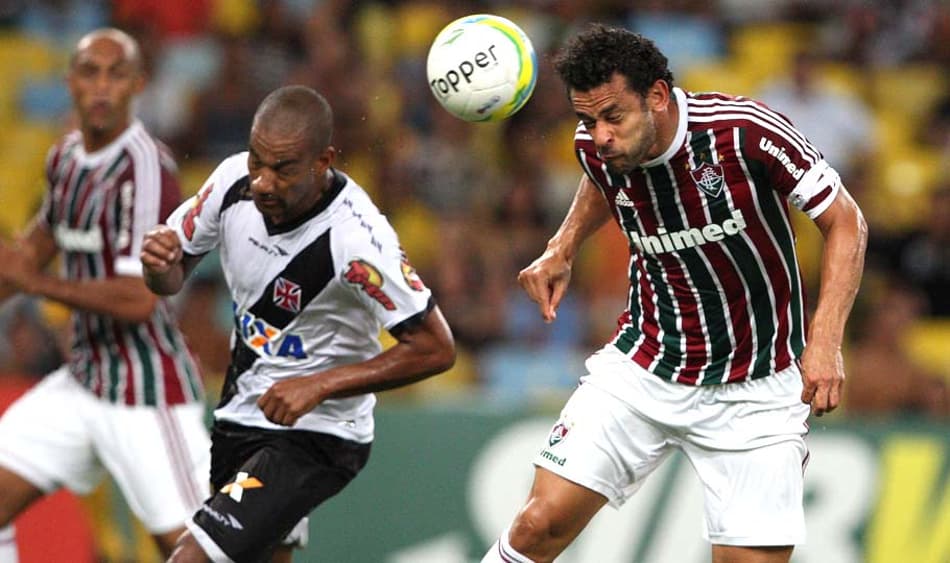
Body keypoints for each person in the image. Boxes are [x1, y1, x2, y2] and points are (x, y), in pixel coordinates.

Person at [482, 24, 868, 563]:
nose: (600, 136)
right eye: (586, 120)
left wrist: (824, 340)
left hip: (756, 387)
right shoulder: (597, 147)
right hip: (645, 364)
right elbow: (602, 178)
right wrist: (563, 244)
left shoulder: (744, 133)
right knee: (537, 525)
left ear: (658, 96)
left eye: (613, 117)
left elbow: (846, 221)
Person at [141, 85, 456, 563]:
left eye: (283, 168)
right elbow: (169, 277)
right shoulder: (231, 182)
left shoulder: (357, 241)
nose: (264, 182)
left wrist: (320, 385)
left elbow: (436, 347)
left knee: (193, 558)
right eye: (257, 162)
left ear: (323, 160)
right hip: (241, 413)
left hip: (319, 433)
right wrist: (156, 263)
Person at [0, 28, 211, 560]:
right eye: (90, 72)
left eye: (116, 74)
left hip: (146, 390)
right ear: (70, 81)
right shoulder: (65, 159)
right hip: (85, 379)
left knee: (196, 551)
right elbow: (28, 255)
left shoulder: (145, 167)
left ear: (137, 84)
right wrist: (19, 269)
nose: (101, 87)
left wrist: (35, 284)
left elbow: (140, 300)